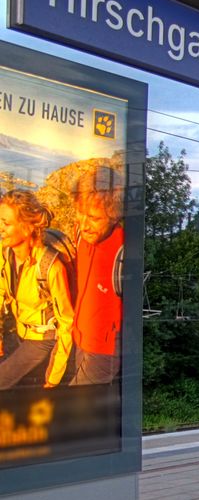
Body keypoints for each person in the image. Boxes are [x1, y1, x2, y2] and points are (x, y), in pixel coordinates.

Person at [0, 190, 74, 389]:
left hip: (44, 339)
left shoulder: (50, 267)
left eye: (6, 223)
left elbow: (67, 325)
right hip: (20, 331)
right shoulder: (5, 253)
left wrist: (53, 378)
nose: (1, 228)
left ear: (27, 228)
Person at [69, 166, 125, 385]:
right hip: (80, 339)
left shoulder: (122, 249)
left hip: (103, 351)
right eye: (80, 213)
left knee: (73, 402)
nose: (84, 225)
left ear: (114, 216)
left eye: (93, 218)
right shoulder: (81, 236)